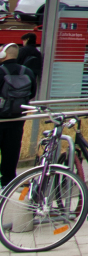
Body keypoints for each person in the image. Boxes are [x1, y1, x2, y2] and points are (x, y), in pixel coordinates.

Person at [0, 44, 34, 187]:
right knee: (12, 150)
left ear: (3, 55)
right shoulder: (28, 72)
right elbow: (31, 93)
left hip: (1, 117)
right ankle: (8, 182)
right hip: (18, 118)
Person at [17, 33, 42, 98]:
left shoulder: (22, 50)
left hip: (21, 77)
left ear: (27, 39)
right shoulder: (37, 52)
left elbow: (17, 62)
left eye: (24, 40)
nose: (23, 42)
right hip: (33, 77)